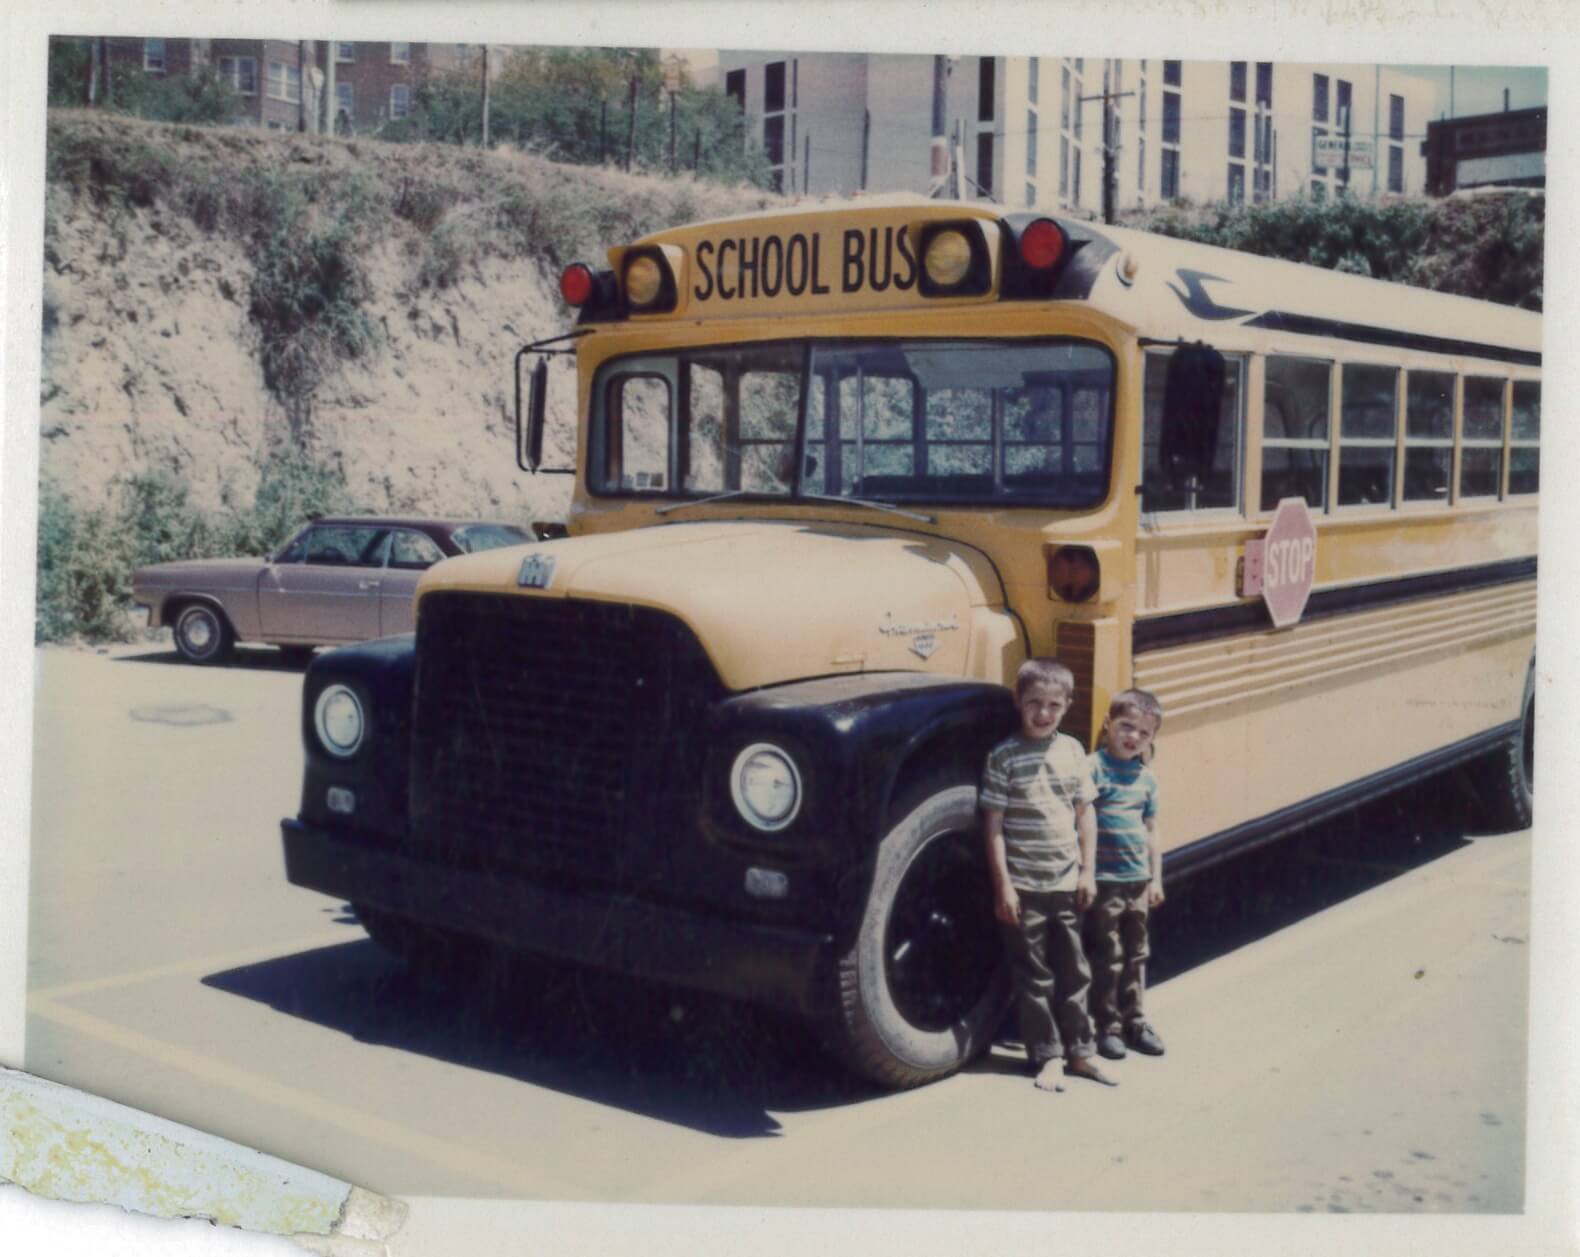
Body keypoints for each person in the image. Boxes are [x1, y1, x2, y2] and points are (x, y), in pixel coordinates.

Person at [981, 658, 1115, 1091]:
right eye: (1034, 703)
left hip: (1067, 883)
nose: (1043, 713)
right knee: (1034, 976)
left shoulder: (1074, 752)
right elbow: (994, 825)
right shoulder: (1003, 756)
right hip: (1024, 888)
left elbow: (1085, 814)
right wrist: (1003, 885)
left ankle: (1081, 1052)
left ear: (1067, 705)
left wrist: (1088, 871)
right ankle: (1048, 1056)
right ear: (1018, 701)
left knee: (1075, 971)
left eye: (1054, 705)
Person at [1085, 689, 1167, 1060]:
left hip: (1138, 880)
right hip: (1105, 881)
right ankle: (1108, 1026)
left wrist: (1156, 879)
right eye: (1126, 727)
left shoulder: (1145, 779)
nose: (1133, 737)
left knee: (1137, 954)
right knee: (1109, 954)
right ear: (1108, 723)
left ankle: (1136, 1020)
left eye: (1143, 733)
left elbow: (1152, 831)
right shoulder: (1092, 768)